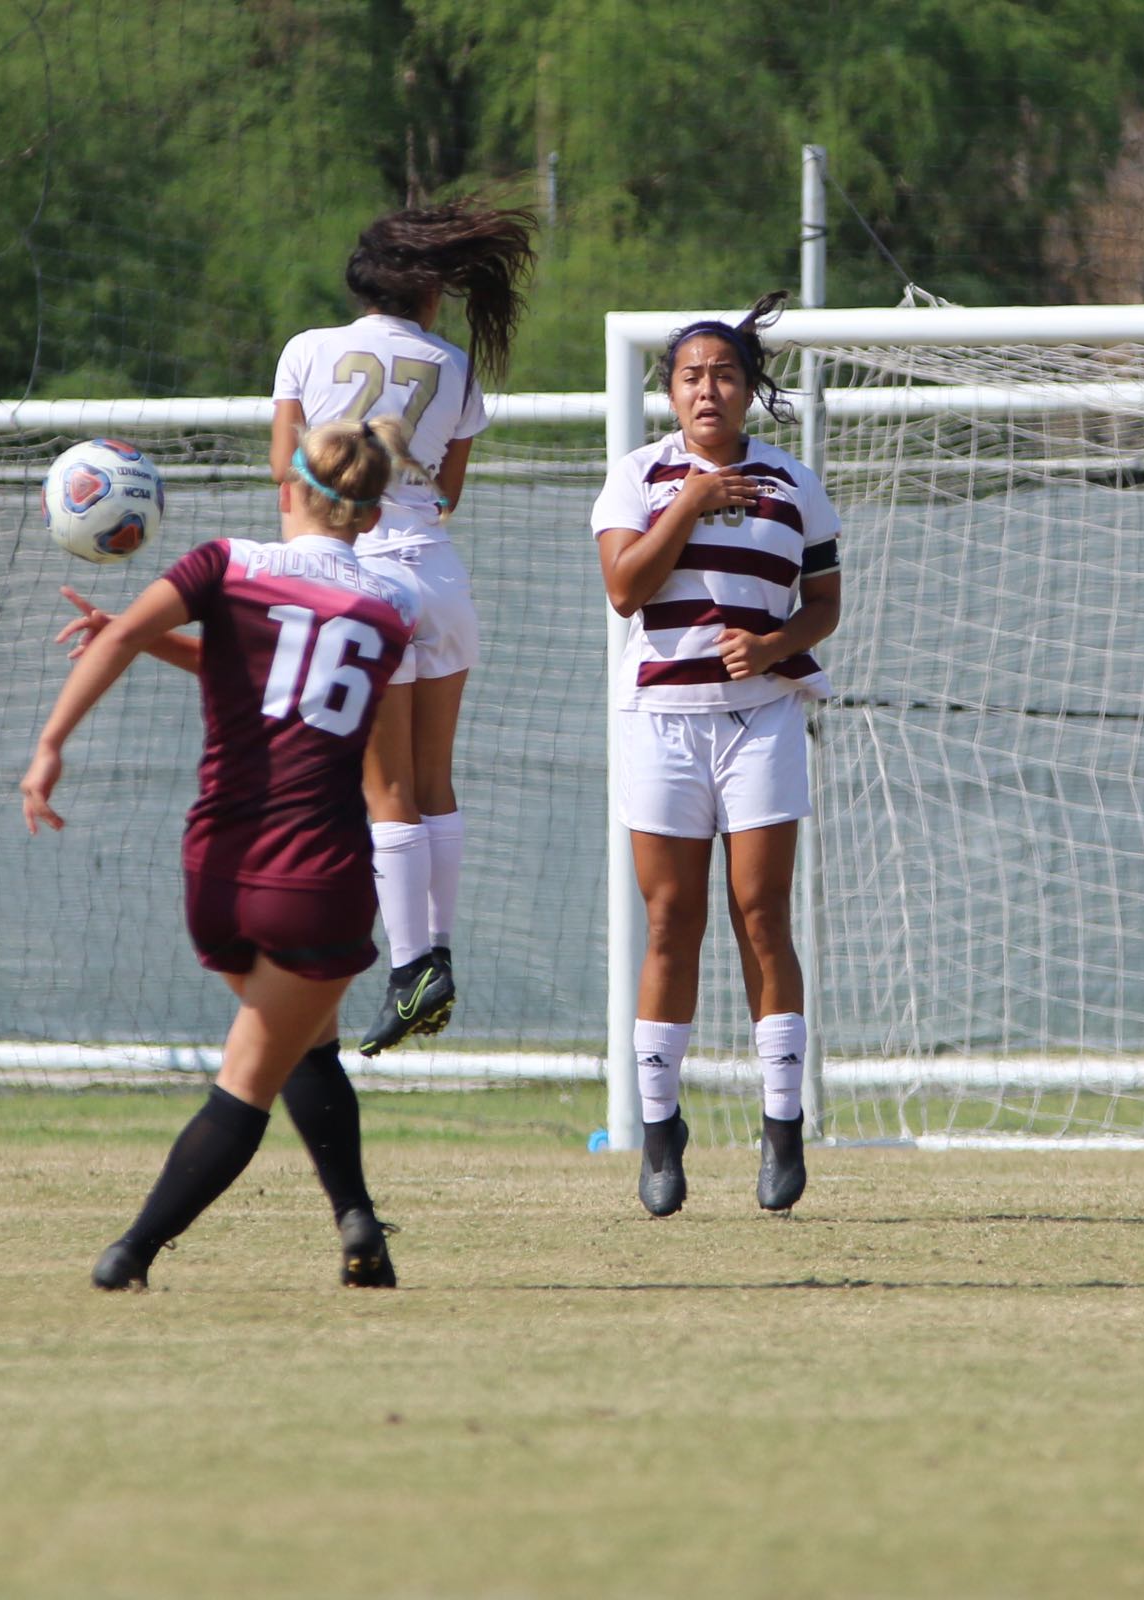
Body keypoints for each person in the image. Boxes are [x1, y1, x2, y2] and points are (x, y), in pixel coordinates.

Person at [24, 419, 426, 1291]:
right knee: (252, 1073)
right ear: (366, 515)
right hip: (313, 872)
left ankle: (357, 1217)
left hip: (216, 867)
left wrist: (52, 743)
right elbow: (315, 691)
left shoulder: (224, 564)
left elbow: (156, 642)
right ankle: (132, 1250)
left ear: (289, 487)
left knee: (304, 1042)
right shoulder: (395, 608)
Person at [592, 292, 842, 1216]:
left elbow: (823, 604)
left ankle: (783, 1125)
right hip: (660, 721)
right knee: (670, 922)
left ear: (749, 388)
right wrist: (693, 498)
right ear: (670, 391)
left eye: (725, 374)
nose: (709, 390)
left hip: (763, 718)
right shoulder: (637, 478)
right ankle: (661, 1134)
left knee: (761, 913)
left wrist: (775, 649)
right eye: (692, 375)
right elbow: (625, 589)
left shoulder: (794, 482)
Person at [269, 197, 537, 1057]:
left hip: (359, 574)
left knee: (377, 790)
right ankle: (435, 954)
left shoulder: (308, 351)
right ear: (428, 291)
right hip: (439, 574)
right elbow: (447, 491)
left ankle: (412, 967)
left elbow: (288, 468)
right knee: (431, 781)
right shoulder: (454, 365)